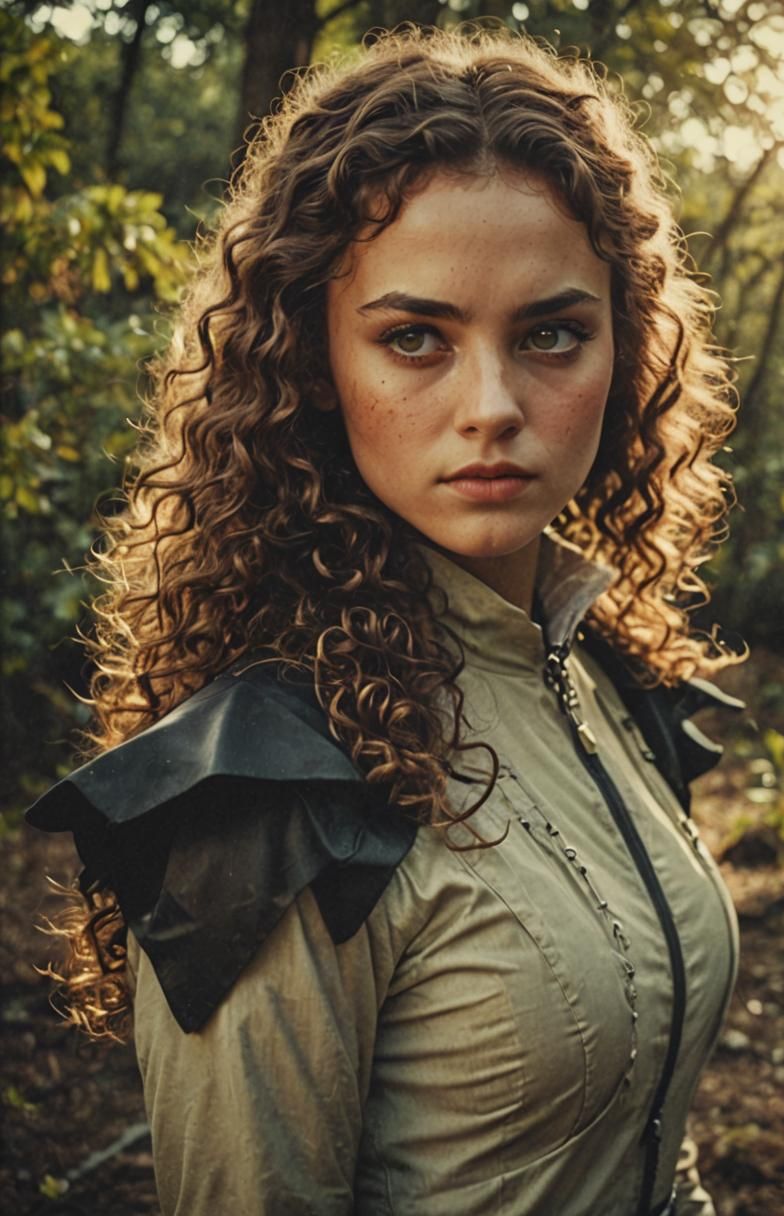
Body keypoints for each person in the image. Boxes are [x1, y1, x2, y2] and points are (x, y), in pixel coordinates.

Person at [28, 25, 746, 1216]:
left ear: (624, 348)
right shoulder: (271, 793)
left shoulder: (609, 670)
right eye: (415, 338)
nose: (493, 407)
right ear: (311, 358)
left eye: (551, 332)